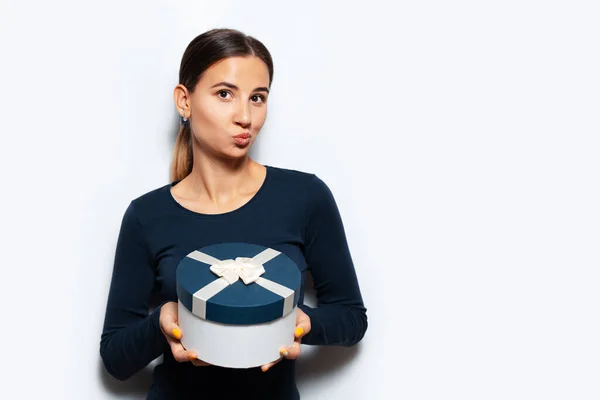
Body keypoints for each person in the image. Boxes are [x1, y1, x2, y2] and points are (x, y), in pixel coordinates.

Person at [99, 28, 367, 399]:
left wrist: (302, 322)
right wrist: (163, 323)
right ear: (184, 101)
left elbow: (352, 318)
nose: (245, 116)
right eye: (225, 94)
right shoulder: (147, 216)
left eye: (258, 98)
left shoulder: (305, 197)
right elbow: (114, 356)